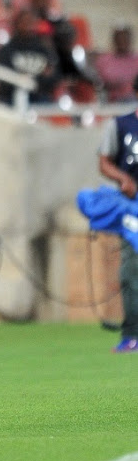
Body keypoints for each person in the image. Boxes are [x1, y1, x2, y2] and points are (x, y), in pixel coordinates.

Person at [96, 74, 138, 353]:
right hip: (133, 208)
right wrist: (122, 178)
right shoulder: (120, 124)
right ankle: (133, 333)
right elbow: (104, 161)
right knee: (132, 270)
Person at [0, 8, 61, 106]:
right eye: (24, 21)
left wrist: (28, 78)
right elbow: (5, 78)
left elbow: (54, 77)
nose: (28, 25)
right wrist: (38, 77)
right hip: (11, 99)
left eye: (31, 21)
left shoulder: (45, 49)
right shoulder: (6, 50)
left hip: (39, 97)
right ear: (17, 24)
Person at [94, 24, 138, 103]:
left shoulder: (136, 59)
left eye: (125, 38)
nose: (122, 41)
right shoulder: (104, 60)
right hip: (110, 100)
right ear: (114, 39)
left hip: (133, 101)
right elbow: (104, 80)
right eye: (119, 38)